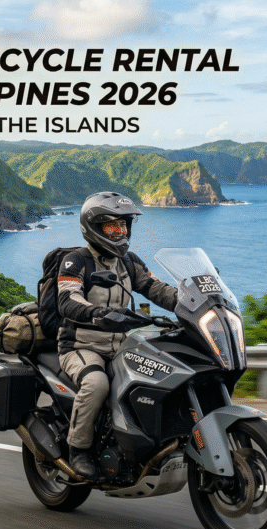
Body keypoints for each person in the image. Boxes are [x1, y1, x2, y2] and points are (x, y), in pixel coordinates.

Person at [56, 192, 179, 480]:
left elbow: (155, 288)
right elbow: (67, 299)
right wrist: (96, 313)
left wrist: (191, 302)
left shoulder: (128, 261)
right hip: (80, 345)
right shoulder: (76, 262)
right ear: (94, 227)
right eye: (112, 226)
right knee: (97, 383)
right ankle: (78, 449)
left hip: (120, 345)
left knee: (157, 377)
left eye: (123, 225)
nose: (120, 232)